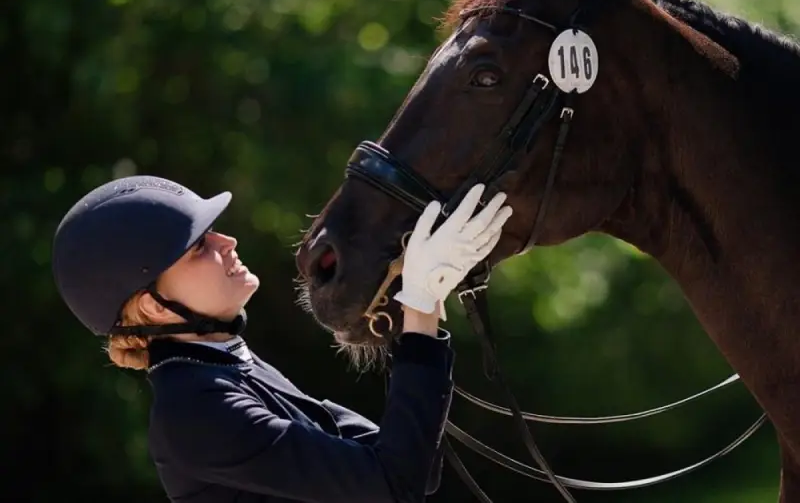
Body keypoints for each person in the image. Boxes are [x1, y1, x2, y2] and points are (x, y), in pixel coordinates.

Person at [51, 175, 512, 503]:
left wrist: (424, 298)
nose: (226, 242)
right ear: (152, 306)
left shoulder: (227, 369)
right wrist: (419, 303)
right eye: (198, 248)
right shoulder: (198, 409)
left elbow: (412, 466)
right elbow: (395, 484)